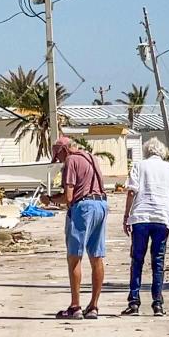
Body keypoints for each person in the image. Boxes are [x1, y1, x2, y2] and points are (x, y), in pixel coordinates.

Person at [121, 138, 169, 317]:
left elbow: (132, 191)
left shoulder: (139, 166)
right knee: (158, 262)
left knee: (137, 260)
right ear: (162, 152)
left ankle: (134, 302)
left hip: (140, 217)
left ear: (146, 151)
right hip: (162, 218)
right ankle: (158, 304)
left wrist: (127, 216)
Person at [52, 136, 108, 320]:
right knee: (97, 256)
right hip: (101, 205)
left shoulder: (71, 160)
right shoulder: (91, 158)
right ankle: (93, 306)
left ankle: (75, 306)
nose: (59, 161)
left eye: (58, 157)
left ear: (64, 150)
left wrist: (50, 200)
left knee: (74, 256)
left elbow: (69, 197)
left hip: (83, 208)